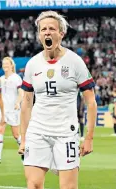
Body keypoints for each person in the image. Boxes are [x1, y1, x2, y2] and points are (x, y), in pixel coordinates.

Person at [18, 11, 97, 189]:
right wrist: (24, 138)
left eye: (52, 29)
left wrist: (89, 138)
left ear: (61, 33)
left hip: (65, 133)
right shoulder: (32, 64)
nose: (47, 32)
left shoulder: (75, 62)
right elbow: (27, 103)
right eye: (43, 29)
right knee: (34, 185)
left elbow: (91, 102)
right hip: (37, 132)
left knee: (68, 187)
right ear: (39, 35)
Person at [0, 57, 24, 164]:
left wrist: (18, 102)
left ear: (11, 65)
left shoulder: (16, 78)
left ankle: (24, 152)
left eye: (7, 63)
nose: (5, 65)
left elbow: (21, 92)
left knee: (15, 134)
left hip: (13, 109)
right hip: (2, 109)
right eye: (3, 63)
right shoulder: (1, 79)